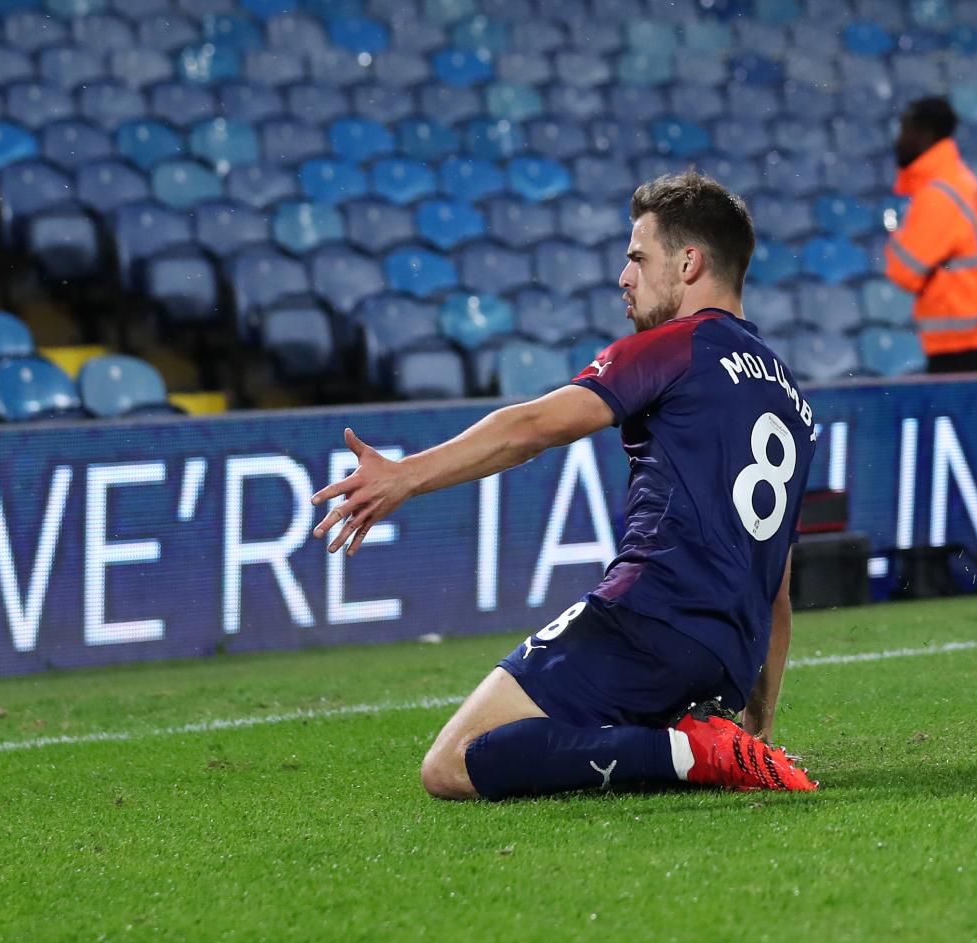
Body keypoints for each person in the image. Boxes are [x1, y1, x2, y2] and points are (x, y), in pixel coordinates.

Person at [311, 171, 818, 801]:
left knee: (453, 765)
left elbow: (530, 427)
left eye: (638, 258)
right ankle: (700, 744)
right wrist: (760, 725)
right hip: (724, 663)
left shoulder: (672, 347)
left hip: (648, 623)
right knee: (588, 746)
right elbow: (777, 591)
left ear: (689, 263)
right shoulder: (794, 404)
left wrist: (404, 476)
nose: (623, 278)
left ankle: (690, 750)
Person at [884, 96, 977, 374]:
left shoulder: (939, 194)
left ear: (924, 134)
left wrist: (896, 234)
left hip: (963, 337)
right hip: (973, 329)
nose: (898, 140)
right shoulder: (954, 178)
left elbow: (903, 271)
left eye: (905, 130)